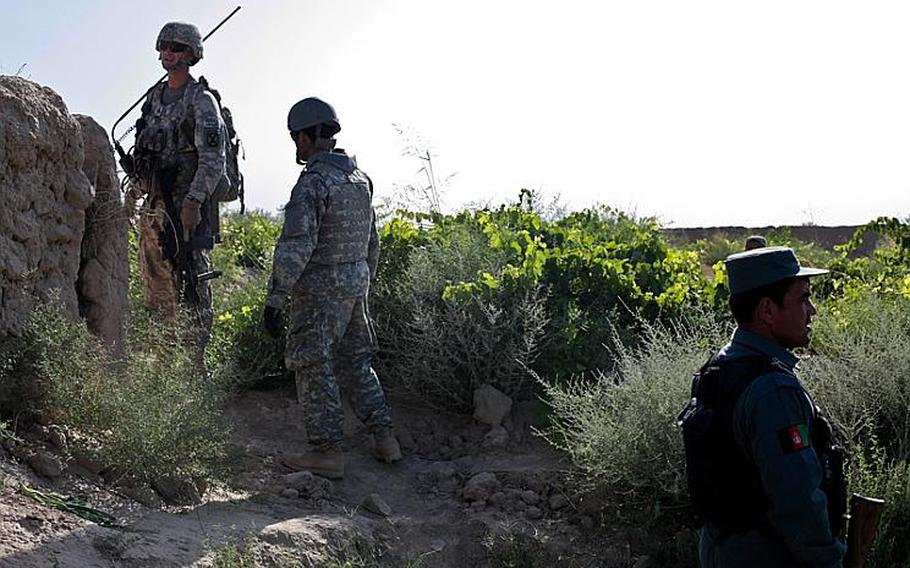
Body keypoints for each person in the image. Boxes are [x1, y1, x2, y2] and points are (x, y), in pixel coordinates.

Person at [678, 246, 846, 567]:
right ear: (767, 311)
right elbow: (797, 501)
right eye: (802, 299)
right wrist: (829, 560)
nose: (812, 310)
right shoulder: (773, 390)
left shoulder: (719, 367)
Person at [263, 97, 401, 480]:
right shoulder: (359, 179)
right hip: (356, 284)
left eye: (297, 137)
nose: (297, 145)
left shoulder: (314, 182)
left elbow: (296, 244)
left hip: (321, 290)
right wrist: (362, 281)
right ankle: (385, 437)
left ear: (308, 136)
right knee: (356, 361)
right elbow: (373, 241)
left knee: (311, 362)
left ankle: (326, 451)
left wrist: (276, 297)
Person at [131, 21, 226, 353]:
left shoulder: (201, 102)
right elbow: (143, 152)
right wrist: (134, 194)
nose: (167, 51)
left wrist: (193, 202)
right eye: (163, 45)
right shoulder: (153, 99)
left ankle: (195, 365)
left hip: (185, 211)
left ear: (190, 54)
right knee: (155, 284)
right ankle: (162, 361)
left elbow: (214, 159)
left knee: (192, 285)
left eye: (175, 46)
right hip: (155, 208)